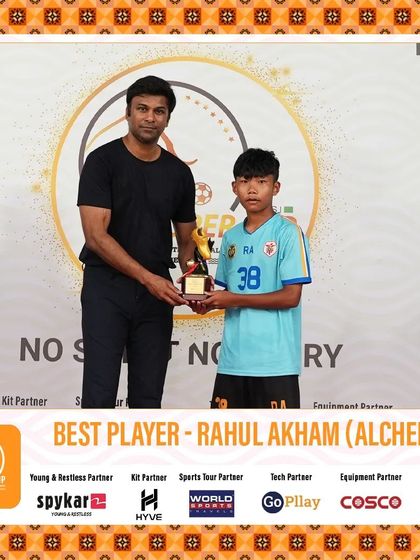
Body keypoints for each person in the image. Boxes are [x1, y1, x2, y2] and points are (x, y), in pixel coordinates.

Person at [77, 75, 197, 408]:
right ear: (128, 113)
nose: (150, 117)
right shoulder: (102, 162)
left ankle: (143, 447)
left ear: (167, 119)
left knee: (148, 398)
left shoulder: (179, 173)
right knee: (99, 394)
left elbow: (187, 242)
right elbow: (96, 237)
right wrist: (147, 278)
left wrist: (196, 283)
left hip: (155, 296)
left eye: (159, 111)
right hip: (106, 288)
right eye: (142, 108)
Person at [194, 148, 311, 408]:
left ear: (276, 187)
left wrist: (232, 298)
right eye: (245, 181)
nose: (252, 189)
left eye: (261, 181)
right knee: (226, 435)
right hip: (232, 361)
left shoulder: (288, 233)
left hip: (275, 363)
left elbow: (291, 297)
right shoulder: (231, 237)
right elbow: (226, 295)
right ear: (234, 187)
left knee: (276, 436)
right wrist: (205, 301)